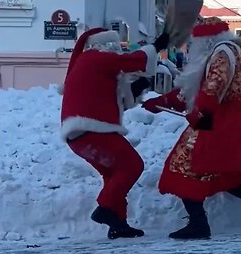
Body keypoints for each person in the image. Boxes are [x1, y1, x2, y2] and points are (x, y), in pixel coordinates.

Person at [142, 17, 241, 239]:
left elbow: (213, 87)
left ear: (206, 39)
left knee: (184, 167)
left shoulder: (221, 54)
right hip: (236, 123)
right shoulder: (230, 53)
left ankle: (199, 224)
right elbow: (193, 90)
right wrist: (163, 102)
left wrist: (201, 111)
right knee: (227, 172)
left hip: (218, 123)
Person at [60, 27, 169, 239]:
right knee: (133, 165)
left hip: (77, 135)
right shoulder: (97, 58)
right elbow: (133, 62)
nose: (117, 50)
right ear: (105, 44)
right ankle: (105, 208)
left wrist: (136, 90)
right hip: (93, 129)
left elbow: (109, 99)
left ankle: (118, 224)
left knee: (113, 173)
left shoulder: (86, 64)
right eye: (114, 45)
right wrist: (156, 47)